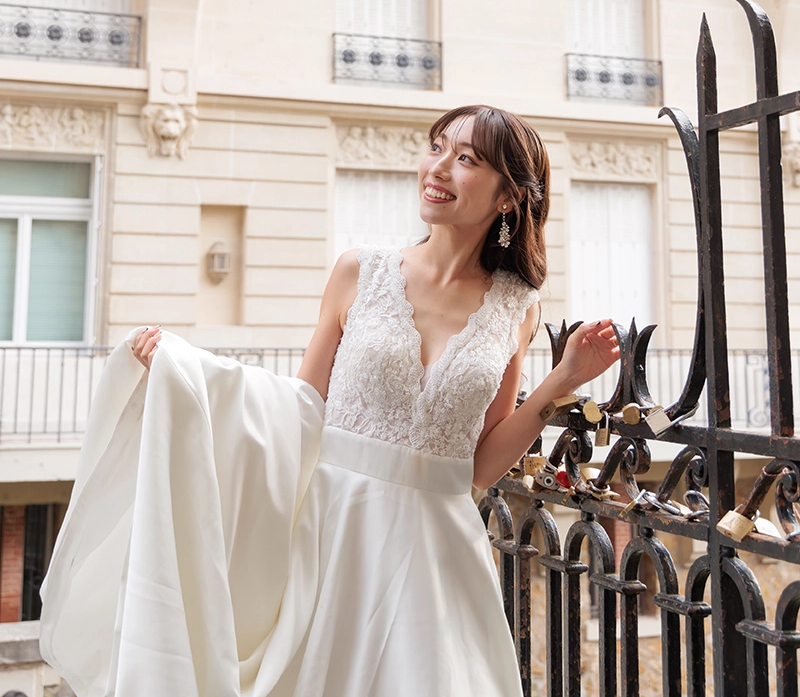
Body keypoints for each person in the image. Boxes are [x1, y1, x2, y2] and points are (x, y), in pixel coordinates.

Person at [40, 105, 619, 697]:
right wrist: (187, 369)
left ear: (508, 197)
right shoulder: (358, 272)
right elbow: (297, 408)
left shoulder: (518, 306)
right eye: (436, 147)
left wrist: (562, 380)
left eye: (465, 158)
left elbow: (478, 466)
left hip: (437, 555)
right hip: (333, 533)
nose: (438, 168)